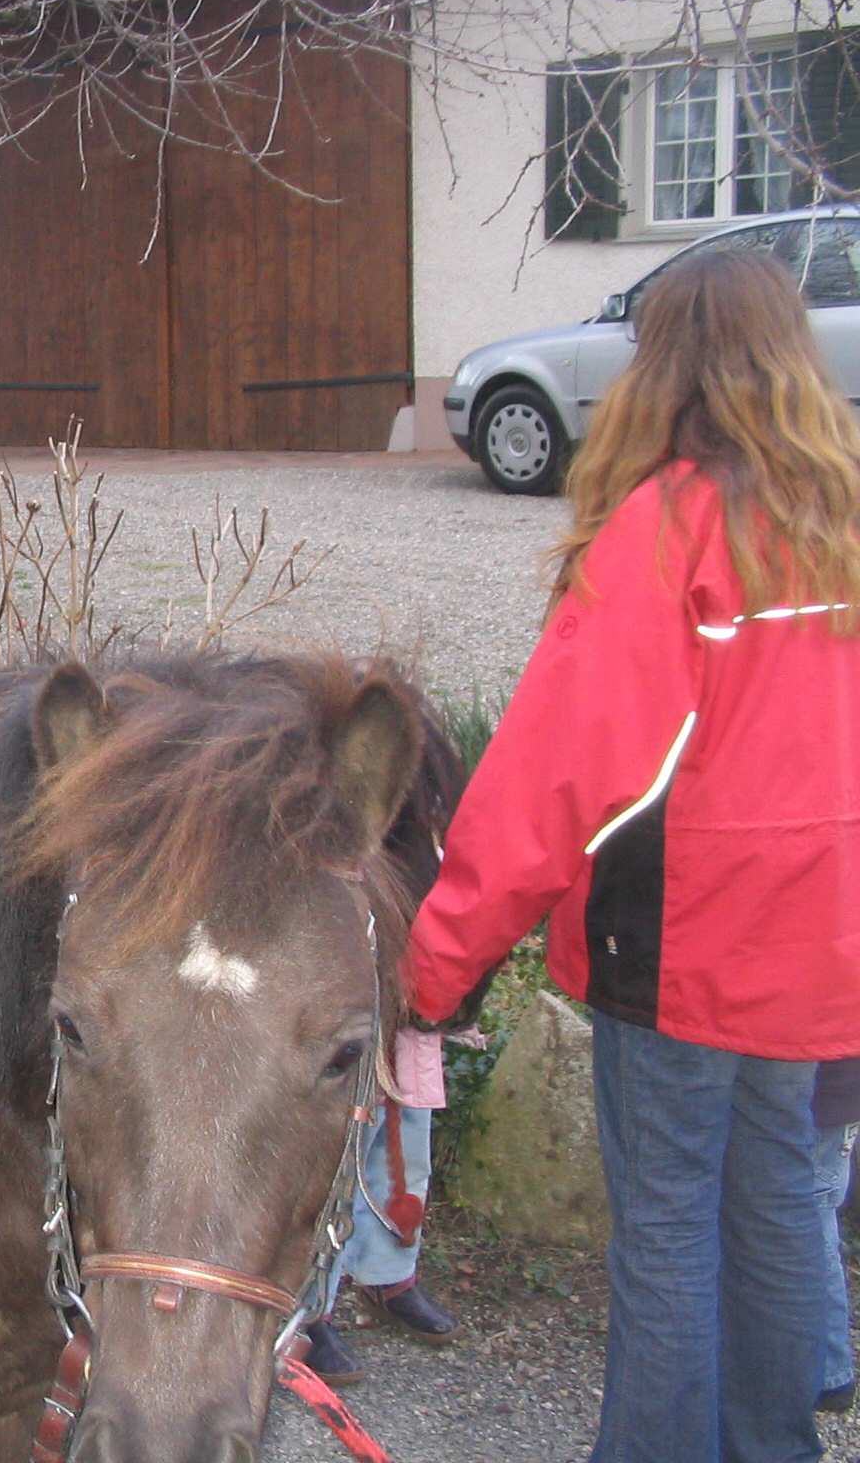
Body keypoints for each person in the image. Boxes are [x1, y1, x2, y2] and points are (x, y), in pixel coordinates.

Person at [406, 250, 860, 1463]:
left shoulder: (664, 530)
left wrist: (431, 965)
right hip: (816, 947)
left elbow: (551, 781)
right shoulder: (840, 519)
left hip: (680, 948)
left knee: (666, 1225)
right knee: (776, 1200)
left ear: (659, 368)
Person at [302, 1036, 460, 1382]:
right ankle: (304, 1306)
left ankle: (385, 1274)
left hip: (409, 1020)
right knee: (335, 1156)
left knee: (405, 1139)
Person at [815, 1059, 859, 1414]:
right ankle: (831, 1369)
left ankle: (829, 1371)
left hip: (826, 1094)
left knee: (811, 1223)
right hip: (841, 1093)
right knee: (819, 1215)